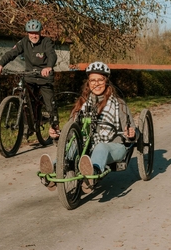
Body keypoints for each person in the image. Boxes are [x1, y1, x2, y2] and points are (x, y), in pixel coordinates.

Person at [39, 61, 136, 193]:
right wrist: (57, 135)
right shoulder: (81, 104)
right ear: (88, 83)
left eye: (100, 80)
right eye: (92, 80)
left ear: (106, 81)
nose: (96, 84)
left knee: (101, 147)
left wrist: (131, 133)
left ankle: (92, 174)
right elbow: (71, 132)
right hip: (87, 146)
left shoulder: (119, 104)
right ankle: (54, 170)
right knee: (73, 146)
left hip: (114, 145)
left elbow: (130, 129)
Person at [0, 19, 59, 131]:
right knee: (26, 101)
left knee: (50, 104)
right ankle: (28, 123)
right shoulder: (24, 42)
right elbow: (11, 53)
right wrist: (0, 64)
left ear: (40, 32)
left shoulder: (46, 42)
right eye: (31, 33)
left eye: (36, 33)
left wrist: (48, 67)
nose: (34, 35)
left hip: (44, 77)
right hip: (30, 76)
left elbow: (52, 55)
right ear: (27, 33)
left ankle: (55, 129)